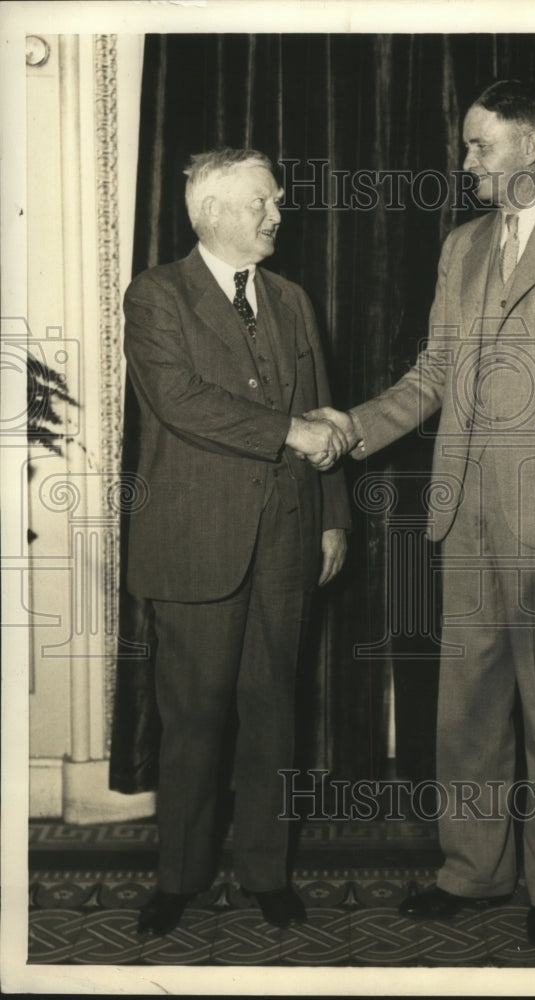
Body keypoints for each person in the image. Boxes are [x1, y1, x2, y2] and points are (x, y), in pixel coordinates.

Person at [309, 79, 535, 946]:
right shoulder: (459, 248)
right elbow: (431, 378)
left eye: (478, 147)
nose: (464, 163)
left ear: (528, 150)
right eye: (466, 147)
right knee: (465, 715)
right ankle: (473, 872)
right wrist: (350, 428)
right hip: (461, 522)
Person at [123, 148, 351, 935]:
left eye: (277, 200)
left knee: (273, 715)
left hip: (286, 542)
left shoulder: (290, 298)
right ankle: (178, 876)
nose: (277, 214)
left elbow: (321, 407)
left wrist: (331, 516)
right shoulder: (156, 296)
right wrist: (287, 431)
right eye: (263, 201)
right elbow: (183, 402)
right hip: (193, 545)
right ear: (214, 209)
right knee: (191, 721)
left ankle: (266, 869)